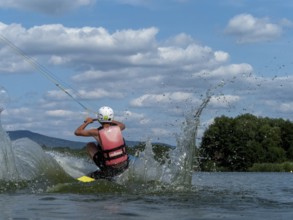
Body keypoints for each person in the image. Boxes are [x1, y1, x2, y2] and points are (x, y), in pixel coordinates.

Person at [74, 106, 129, 179]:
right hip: (125, 166)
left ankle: (103, 170)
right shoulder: (119, 127)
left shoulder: (96, 132)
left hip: (109, 170)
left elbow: (77, 132)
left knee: (90, 145)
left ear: (99, 118)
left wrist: (87, 122)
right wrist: (109, 120)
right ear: (111, 117)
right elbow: (123, 125)